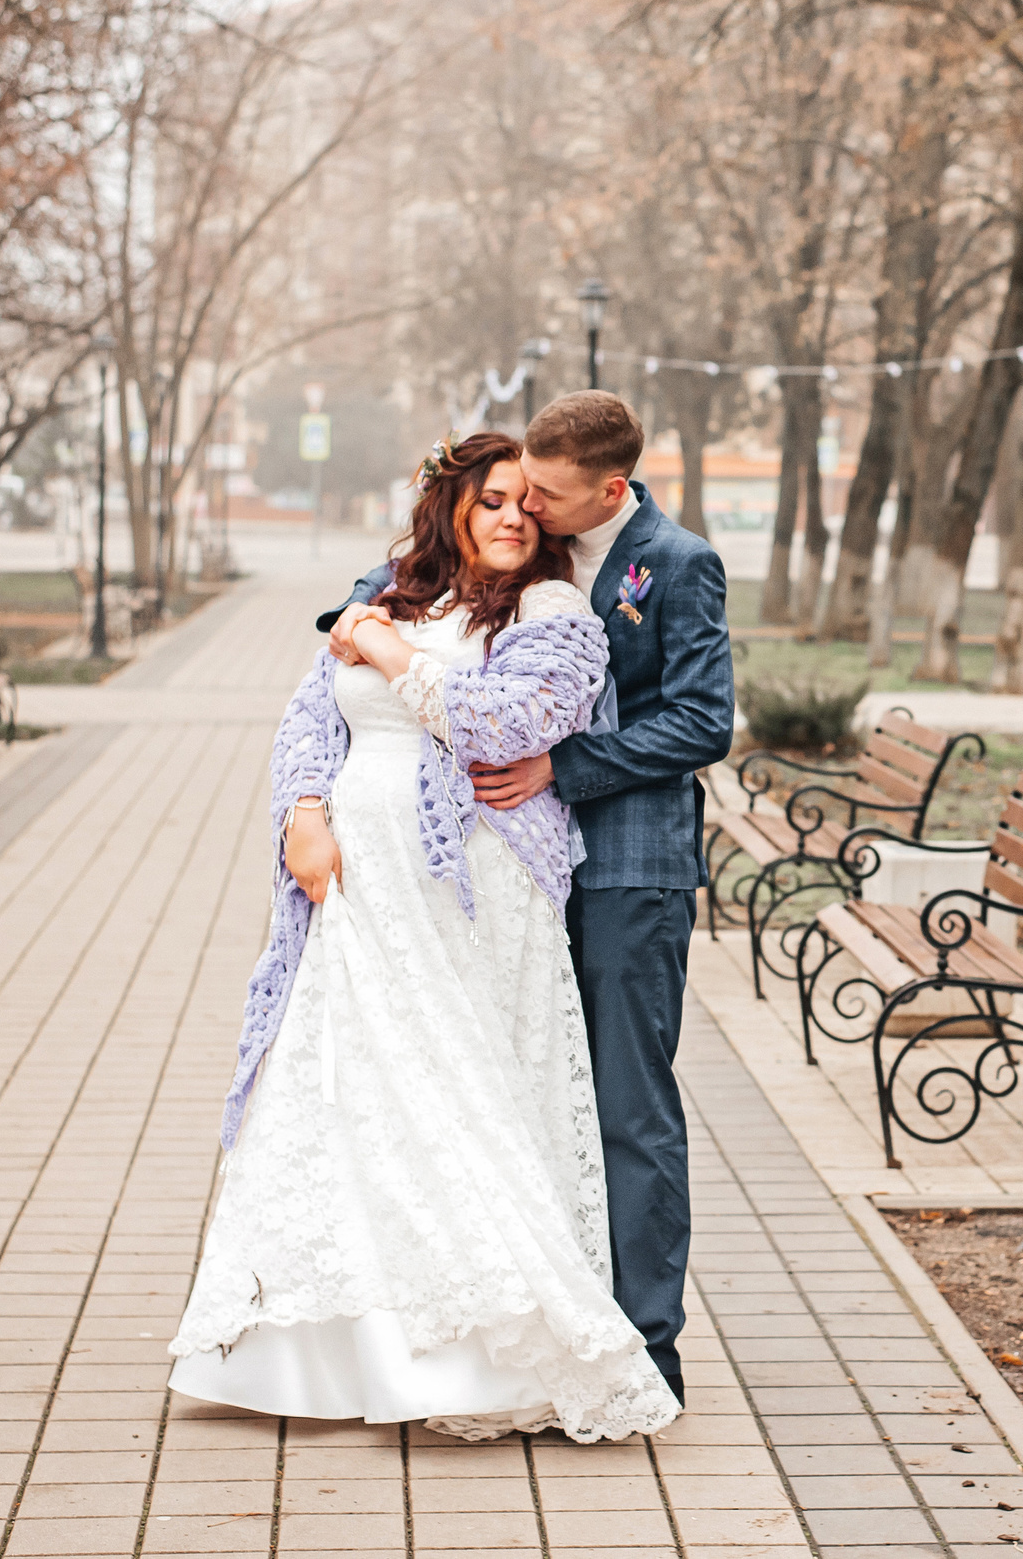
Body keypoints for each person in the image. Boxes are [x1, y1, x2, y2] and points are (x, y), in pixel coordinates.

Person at [168, 430, 679, 1443]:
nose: (510, 518)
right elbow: (310, 714)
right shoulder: (399, 595)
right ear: (452, 506)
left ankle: (484, 1351)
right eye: (491, 499)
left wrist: (388, 651)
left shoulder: (554, 612)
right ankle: (328, 1355)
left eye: (528, 507)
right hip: (357, 886)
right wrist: (303, 811)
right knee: (352, 1095)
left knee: (460, 1095)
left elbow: (495, 724)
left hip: (474, 889)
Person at [318, 391, 734, 1408]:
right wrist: (354, 621)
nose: (529, 509)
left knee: (627, 1104)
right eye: (521, 490)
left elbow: (702, 720)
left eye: (548, 494)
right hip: (509, 876)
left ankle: (646, 1344)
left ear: (611, 489)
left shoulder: (673, 564)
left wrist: (565, 764)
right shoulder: (522, 542)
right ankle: (544, 1319)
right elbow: (364, 607)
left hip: (629, 867)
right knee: (523, 1093)